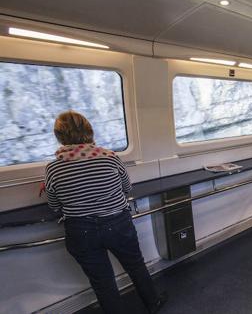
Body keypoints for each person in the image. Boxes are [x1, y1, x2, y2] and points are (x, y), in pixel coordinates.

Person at [45, 111, 166, 314]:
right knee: (136, 266)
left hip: (81, 230)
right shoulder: (110, 158)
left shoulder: (53, 168)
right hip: (117, 223)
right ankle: (153, 303)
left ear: (60, 137)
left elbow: (54, 205)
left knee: (102, 281)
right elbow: (126, 186)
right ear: (89, 132)